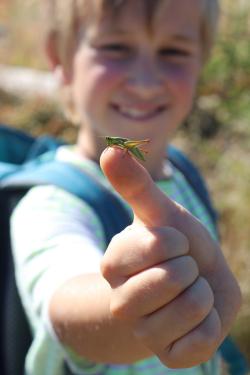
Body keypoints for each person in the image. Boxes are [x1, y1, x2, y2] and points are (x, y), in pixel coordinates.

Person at [10, 1, 242, 374]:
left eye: (173, 51)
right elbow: (64, 296)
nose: (145, 82)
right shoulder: (48, 205)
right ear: (61, 60)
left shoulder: (184, 173)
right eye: (116, 48)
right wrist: (132, 309)